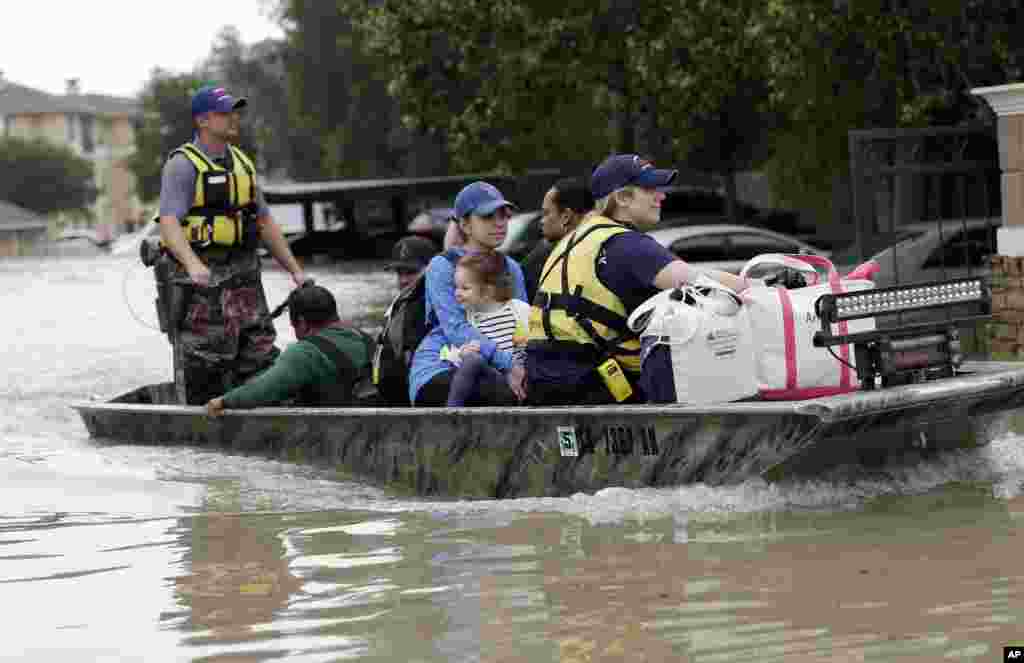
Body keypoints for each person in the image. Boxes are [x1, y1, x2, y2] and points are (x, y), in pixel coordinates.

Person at [525, 154, 751, 405]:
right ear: (621, 197)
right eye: (650, 189)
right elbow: (700, 282)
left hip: (544, 377)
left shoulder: (578, 237)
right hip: (585, 383)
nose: (661, 196)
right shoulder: (626, 244)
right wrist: (759, 286)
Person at [155, 85, 307, 406]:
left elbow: (264, 222)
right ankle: (200, 429)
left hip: (245, 278)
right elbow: (169, 223)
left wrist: (296, 272)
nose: (233, 118)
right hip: (201, 285)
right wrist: (194, 264)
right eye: (224, 113)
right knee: (205, 363)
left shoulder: (243, 164)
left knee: (261, 354)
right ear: (203, 121)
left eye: (234, 111)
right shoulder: (182, 165)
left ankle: (268, 416)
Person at [409, 181, 529, 406]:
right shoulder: (442, 266)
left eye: (503, 215)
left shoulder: (512, 267)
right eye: (488, 217)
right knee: (497, 392)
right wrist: (510, 365)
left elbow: (522, 327)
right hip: (440, 368)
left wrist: (522, 367)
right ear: (465, 224)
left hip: (497, 368)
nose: (500, 223)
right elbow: (456, 329)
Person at [206, 284, 373, 414]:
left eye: (294, 326)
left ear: (301, 322)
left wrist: (223, 401)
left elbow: (261, 391)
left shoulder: (305, 352)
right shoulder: (365, 339)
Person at [442, 251, 531, 406]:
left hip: (517, 385)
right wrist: (462, 353)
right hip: (491, 383)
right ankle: (451, 413)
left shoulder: (519, 311)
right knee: (472, 360)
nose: (457, 293)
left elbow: (531, 348)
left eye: (465, 288)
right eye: (456, 287)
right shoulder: (469, 319)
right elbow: (448, 353)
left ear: (488, 291)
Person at [520, 176, 592, 301]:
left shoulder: (538, 262)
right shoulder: (606, 251)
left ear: (566, 216)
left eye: (546, 213)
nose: (542, 221)